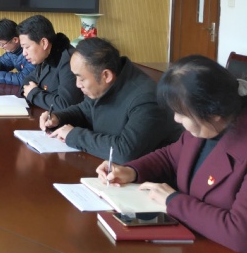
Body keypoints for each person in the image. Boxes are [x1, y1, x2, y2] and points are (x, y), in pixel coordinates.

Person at [96, 56, 247, 253]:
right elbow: (170, 156)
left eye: (181, 113)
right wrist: (131, 170)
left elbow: (244, 234)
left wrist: (173, 201)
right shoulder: (207, 124)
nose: (176, 119)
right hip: (198, 248)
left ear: (214, 113)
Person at [39, 37, 181, 162]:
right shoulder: (108, 84)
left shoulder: (146, 99)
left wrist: (74, 135)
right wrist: (58, 117)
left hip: (148, 178)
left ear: (106, 75)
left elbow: (125, 152)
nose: (77, 84)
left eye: (81, 78)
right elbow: (85, 110)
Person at [15, 15, 82, 110]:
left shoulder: (69, 61)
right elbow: (29, 79)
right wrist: (29, 91)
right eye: (22, 48)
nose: (24, 53)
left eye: (27, 47)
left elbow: (65, 104)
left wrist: (33, 94)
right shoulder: (46, 55)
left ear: (44, 43)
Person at [0, 19, 36, 86]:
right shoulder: (13, 52)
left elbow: (23, 78)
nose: (0, 47)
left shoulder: (31, 53)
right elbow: (2, 63)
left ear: (15, 40)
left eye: (2, 44)